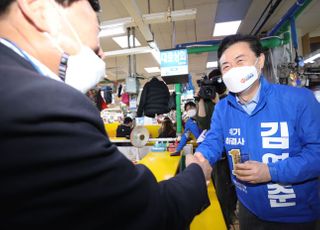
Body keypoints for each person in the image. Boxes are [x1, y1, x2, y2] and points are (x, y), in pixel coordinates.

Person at [0, 1, 213, 229]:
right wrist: (197, 174)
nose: (101, 53)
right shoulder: (48, 105)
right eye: (99, 28)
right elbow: (146, 213)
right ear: (37, 7)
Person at [196, 34, 320, 229]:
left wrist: (271, 172)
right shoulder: (223, 108)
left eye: (240, 61)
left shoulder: (298, 100)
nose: (233, 70)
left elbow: (317, 152)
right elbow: (213, 140)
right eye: (226, 66)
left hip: (296, 214)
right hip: (249, 209)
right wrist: (199, 159)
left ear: (259, 61)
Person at [197, 69, 237, 229]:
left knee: (230, 190)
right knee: (219, 192)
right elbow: (203, 125)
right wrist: (200, 99)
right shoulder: (205, 102)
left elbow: (229, 122)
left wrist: (218, 102)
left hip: (231, 154)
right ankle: (225, 219)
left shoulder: (230, 99)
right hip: (216, 157)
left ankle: (229, 217)